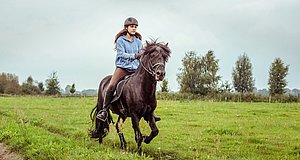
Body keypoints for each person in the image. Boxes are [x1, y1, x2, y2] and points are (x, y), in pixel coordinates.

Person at [96, 17, 161, 122]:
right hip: (123, 68)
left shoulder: (138, 41)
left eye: (135, 27)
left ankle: (150, 112)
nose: (134, 29)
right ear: (126, 28)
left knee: (148, 84)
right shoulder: (120, 40)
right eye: (132, 27)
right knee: (112, 85)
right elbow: (121, 54)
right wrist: (135, 56)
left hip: (135, 68)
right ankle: (104, 110)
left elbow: (142, 54)